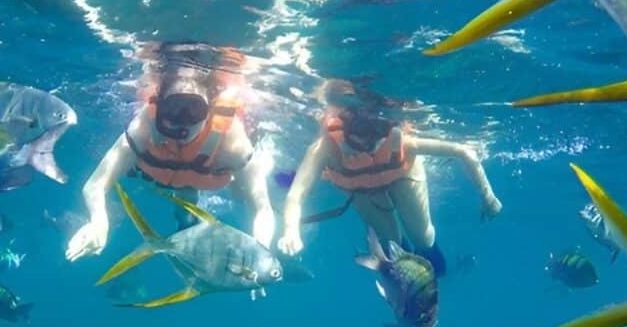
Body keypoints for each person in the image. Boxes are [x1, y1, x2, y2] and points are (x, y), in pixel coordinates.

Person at [66, 46, 275, 261]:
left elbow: (262, 208)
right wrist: (99, 222)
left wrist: (260, 253)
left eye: (194, 109)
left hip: (210, 169)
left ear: (210, 110)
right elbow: (95, 185)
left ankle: (188, 214)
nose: (183, 122)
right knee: (177, 184)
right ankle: (186, 213)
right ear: (159, 106)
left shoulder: (233, 146)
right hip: (168, 173)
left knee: (240, 195)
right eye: (174, 109)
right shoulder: (143, 127)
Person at [277, 82, 501, 275]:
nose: (362, 152)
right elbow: (296, 194)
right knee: (391, 243)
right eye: (354, 146)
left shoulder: (404, 143)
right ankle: (407, 275)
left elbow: (465, 152)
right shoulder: (325, 147)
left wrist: (488, 197)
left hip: (401, 173)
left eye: (370, 147)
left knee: (422, 235)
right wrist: (290, 231)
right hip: (361, 187)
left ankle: (432, 270)